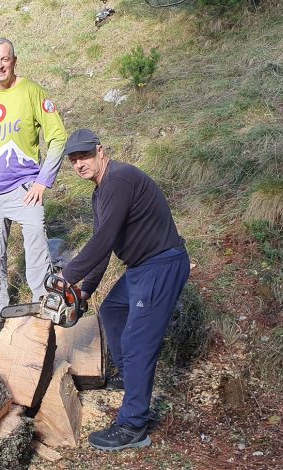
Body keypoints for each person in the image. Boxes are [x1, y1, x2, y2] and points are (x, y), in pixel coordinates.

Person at [59, 128, 190, 451]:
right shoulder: (100, 192)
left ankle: (133, 426)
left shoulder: (119, 180)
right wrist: (86, 290)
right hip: (141, 268)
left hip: (161, 264)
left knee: (137, 341)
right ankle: (131, 377)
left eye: (84, 156)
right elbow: (106, 244)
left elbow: (101, 241)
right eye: (74, 160)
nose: (79, 164)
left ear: (101, 151)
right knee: (113, 311)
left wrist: (67, 276)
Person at [0, 37, 67, 340]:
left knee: (36, 242)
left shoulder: (32, 91)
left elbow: (58, 137)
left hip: (25, 190)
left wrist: (43, 181)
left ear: (14, 60)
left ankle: (42, 306)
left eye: (4, 59)